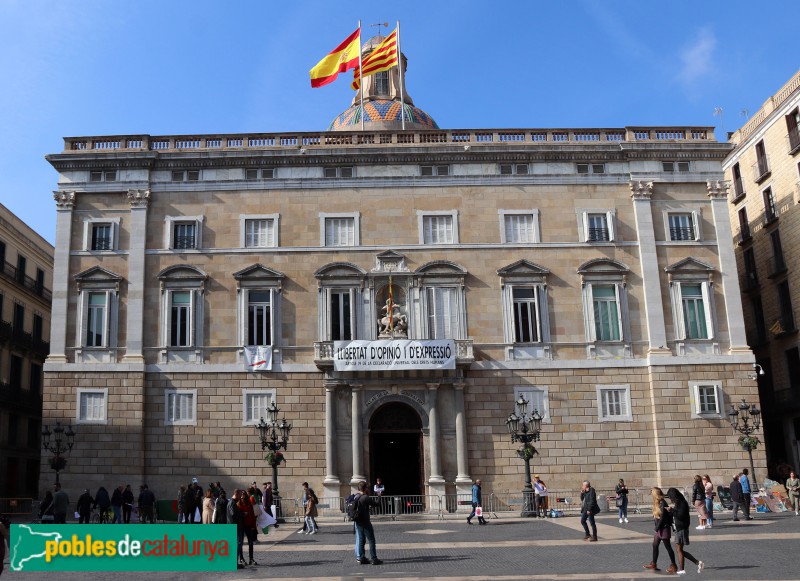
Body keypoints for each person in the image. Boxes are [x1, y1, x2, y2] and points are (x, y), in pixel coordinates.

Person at [667, 488, 704, 575]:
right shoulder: (679, 503)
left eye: (670, 497)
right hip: (679, 528)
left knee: (679, 549)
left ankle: (683, 569)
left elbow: (680, 515)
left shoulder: (682, 503)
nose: (670, 499)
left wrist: (671, 510)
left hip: (682, 529)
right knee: (680, 550)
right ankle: (697, 562)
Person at [643, 487, 677, 573]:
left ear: (655, 494)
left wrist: (656, 528)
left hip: (664, 528)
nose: (651, 494)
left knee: (668, 547)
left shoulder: (662, 503)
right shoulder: (657, 502)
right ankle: (654, 563)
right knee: (655, 545)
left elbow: (663, 518)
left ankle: (674, 565)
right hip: (659, 528)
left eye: (652, 492)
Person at [353, 481, 383, 565]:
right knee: (371, 540)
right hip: (365, 522)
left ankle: (362, 558)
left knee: (362, 540)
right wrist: (379, 495)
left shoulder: (356, 497)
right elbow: (377, 504)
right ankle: (374, 558)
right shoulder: (365, 497)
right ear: (365, 488)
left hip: (358, 522)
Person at [238, 492, 259, 565]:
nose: (243, 498)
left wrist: (253, 526)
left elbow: (252, 515)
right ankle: (241, 558)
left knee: (250, 542)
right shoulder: (238, 504)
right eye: (242, 497)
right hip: (241, 526)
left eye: (244, 496)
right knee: (240, 543)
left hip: (249, 525)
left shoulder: (249, 504)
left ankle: (251, 558)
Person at [227, 489, 246, 568]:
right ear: (237, 494)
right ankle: (234, 562)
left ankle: (235, 562)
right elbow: (233, 514)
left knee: (237, 544)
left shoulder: (233, 502)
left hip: (234, 525)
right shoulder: (232, 503)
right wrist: (242, 514)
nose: (241, 497)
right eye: (240, 495)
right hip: (234, 525)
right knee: (238, 544)